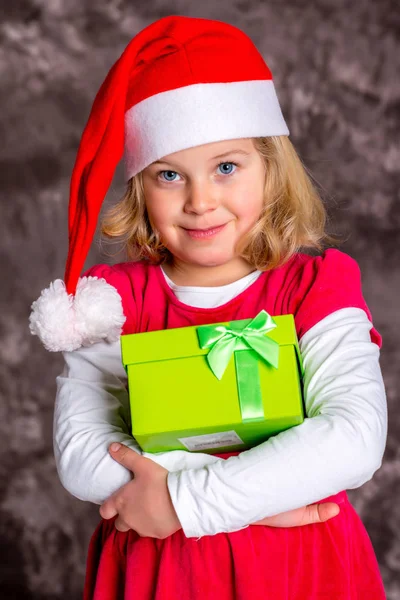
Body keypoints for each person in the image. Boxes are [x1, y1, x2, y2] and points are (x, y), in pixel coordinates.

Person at [29, 15, 387, 600]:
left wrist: (179, 500)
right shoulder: (111, 303)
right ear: (141, 187)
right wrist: (255, 496)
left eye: (226, 167)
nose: (200, 202)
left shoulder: (317, 287)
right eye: (170, 175)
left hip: (298, 570)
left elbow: (352, 437)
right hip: (162, 573)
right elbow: (84, 460)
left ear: (271, 167)